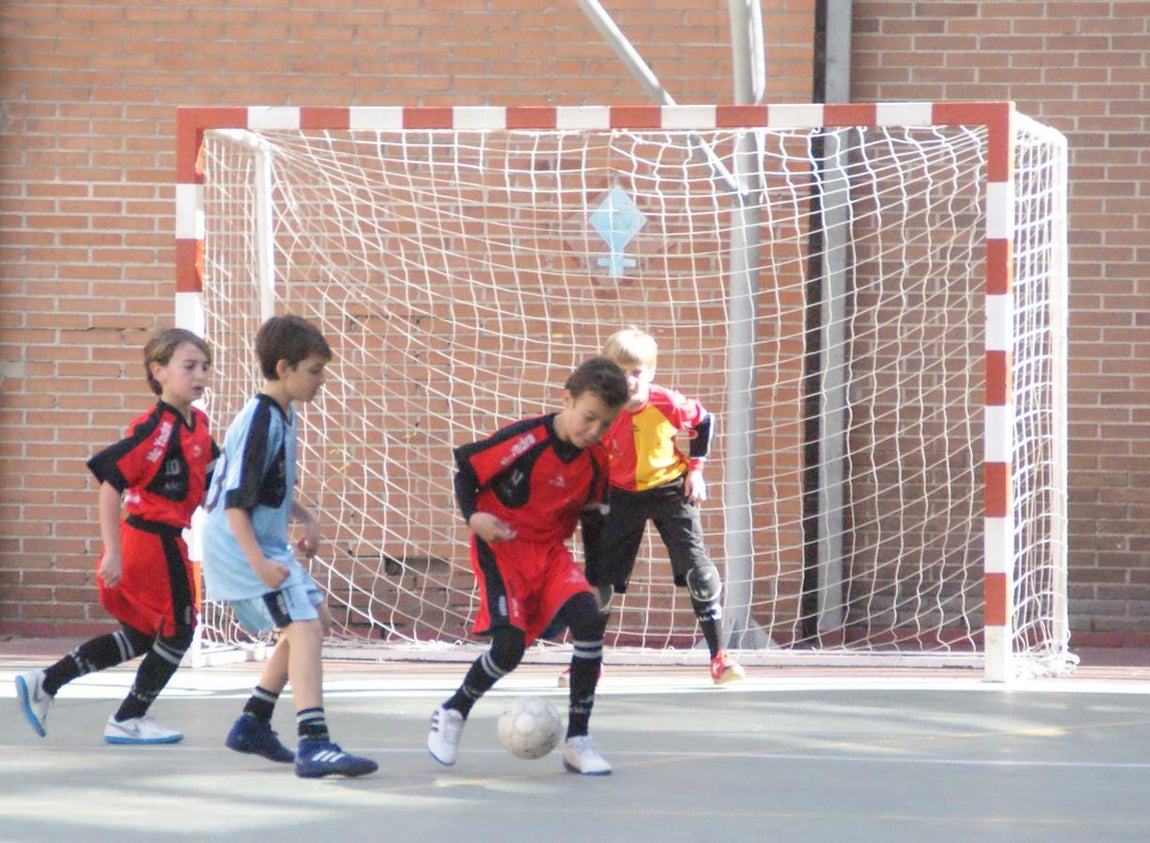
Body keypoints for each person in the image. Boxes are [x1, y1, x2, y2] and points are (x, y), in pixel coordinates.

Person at [15, 328, 220, 745]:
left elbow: (221, 477)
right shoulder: (152, 429)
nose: (200, 374)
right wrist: (114, 551)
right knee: (179, 631)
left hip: (171, 541)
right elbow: (110, 484)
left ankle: (46, 682)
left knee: (144, 636)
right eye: (189, 366)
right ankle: (129, 717)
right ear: (158, 371)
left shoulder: (197, 423)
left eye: (204, 366)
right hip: (149, 541)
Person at [427, 356, 629, 776]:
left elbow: (594, 522)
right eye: (589, 418)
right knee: (509, 648)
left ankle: (578, 739)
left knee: (590, 621)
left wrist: (594, 580)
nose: (594, 431)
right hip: (503, 546)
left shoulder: (597, 461)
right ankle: (453, 711)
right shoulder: (526, 439)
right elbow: (467, 468)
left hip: (551, 553)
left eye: (605, 424)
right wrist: (473, 517)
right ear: (568, 399)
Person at [201, 314, 376, 779]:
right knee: (303, 628)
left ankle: (253, 723)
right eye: (315, 370)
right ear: (284, 367)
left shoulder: (282, 411)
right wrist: (258, 562)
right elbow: (236, 504)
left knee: (314, 620)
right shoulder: (261, 419)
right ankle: (314, 742)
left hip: (259, 541)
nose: (321, 380)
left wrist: (306, 517)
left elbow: (265, 486)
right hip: (239, 546)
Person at [578, 327, 745, 686]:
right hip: (619, 493)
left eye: (636, 372)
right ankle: (588, 659)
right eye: (619, 372)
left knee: (699, 572)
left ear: (649, 373)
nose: (628, 380)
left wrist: (696, 472)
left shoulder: (667, 402)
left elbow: (704, 422)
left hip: (668, 489)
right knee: (599, 581)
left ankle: (720, 657)